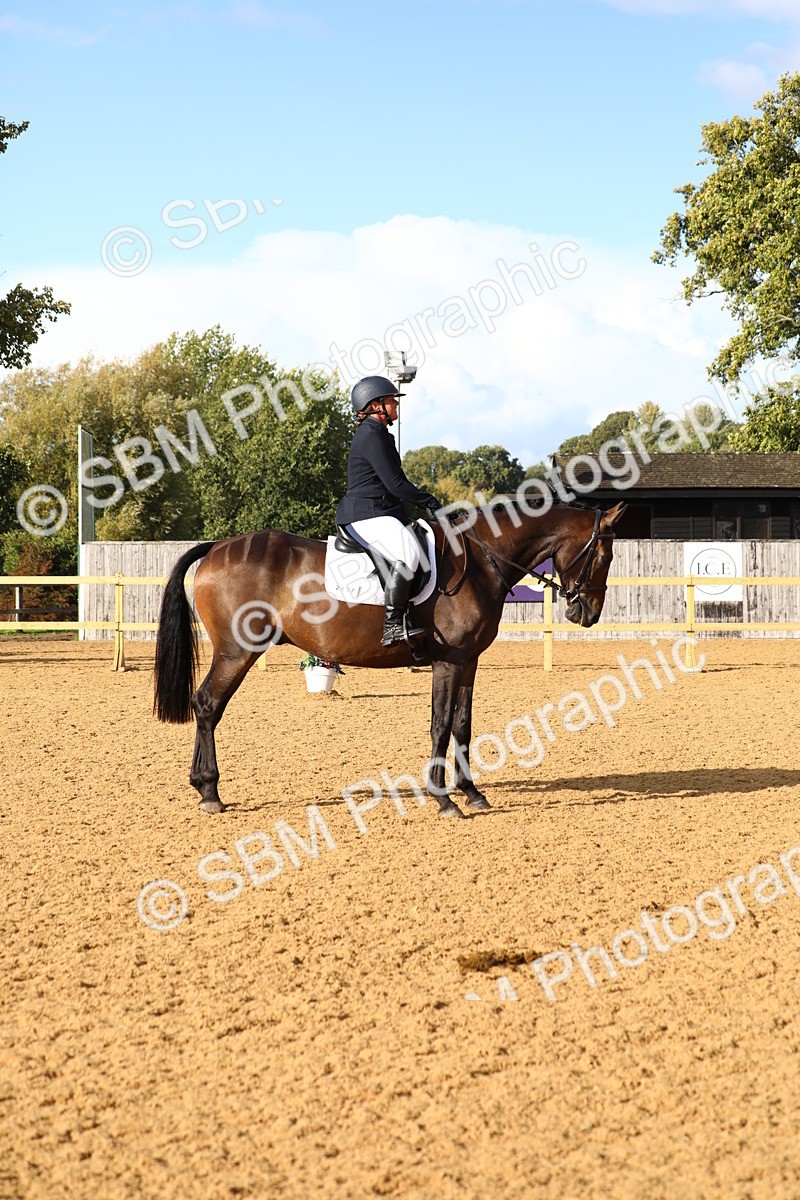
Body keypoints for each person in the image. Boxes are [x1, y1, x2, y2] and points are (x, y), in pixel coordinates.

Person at [335, 375, 441, 647]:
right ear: (376, 405)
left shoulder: (379, 434)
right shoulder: (371, 435)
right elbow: (395, 484)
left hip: (379, 511)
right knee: (408, 552)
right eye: (392, 400)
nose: (396, 404)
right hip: (366, 513)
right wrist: (428, 500)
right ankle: (393, 625)